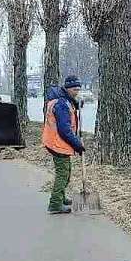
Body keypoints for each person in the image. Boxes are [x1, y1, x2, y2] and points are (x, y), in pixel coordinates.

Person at [41, 75, 85, 214]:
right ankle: (55, 204)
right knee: (63, 174)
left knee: (67, 172)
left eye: (78, 89)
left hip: (56, 141)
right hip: (57, 143)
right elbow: (65, 129)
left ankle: (61, 197)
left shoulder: (63, 100)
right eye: (74, 89)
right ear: (67, 89)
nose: (76, 92)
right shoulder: (61, 104)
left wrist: (76, 104)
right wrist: (77, 144)